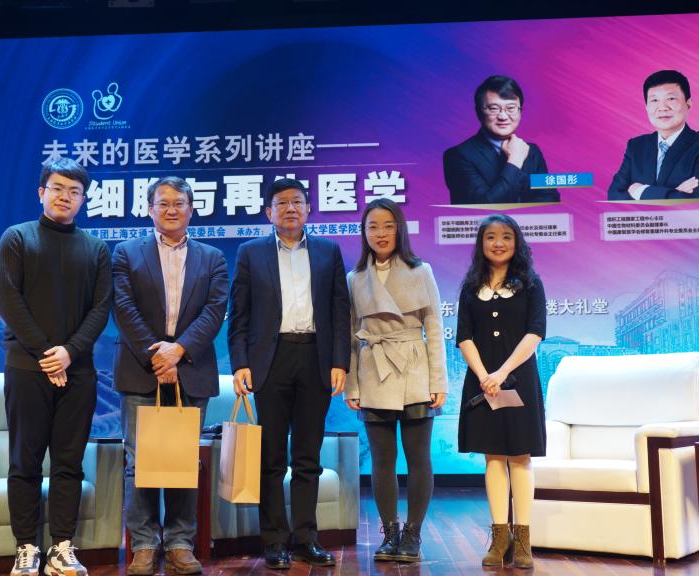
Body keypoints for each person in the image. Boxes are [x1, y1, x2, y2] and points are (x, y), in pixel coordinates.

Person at [0, 158, 112, 576]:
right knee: (24, 462)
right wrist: (48, 353)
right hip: (26, 369)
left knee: (69, 463)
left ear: (84, 199)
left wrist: (69, 353)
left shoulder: (96, 249)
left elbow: (101, 309)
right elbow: (9, 302)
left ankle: (62, 547)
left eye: (75, 191)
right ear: (41, 192)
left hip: (78, 373)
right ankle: (26, 548)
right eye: (58, 188)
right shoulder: (17, 238)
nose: (66, 197)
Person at [227, 178, 351, 570]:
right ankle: (274, 541)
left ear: (309, 208)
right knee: (271, 457)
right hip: (271, 359)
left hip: (316, 358)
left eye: (297, 201)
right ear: (269, 212)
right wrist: (240, 363)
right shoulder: (251, 253)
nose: (290, 208)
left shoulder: (329, 251)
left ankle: (306, 539)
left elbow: (340, 311)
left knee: (308, 456)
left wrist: (340, 362)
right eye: (281, 203)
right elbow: (239, 314)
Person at [112, 177, 229, 576]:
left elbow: (215, 311)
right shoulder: (126, 253)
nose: (171, 209)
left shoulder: (213, 257)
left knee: (182, 459)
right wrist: (158, 354)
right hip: (140, 369)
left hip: (191, 369)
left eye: (179, 203)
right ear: (149, 209)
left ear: (191, 209)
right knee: (138, 461)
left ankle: (180, 543)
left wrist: (178, 351)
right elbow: (123, 308)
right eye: (163, 203)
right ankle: (144, 544)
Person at [343, 198, 447, 563]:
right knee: (382, 460)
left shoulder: (421, 271)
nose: (381, 233)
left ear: (399, 229)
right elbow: (350, 335)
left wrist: (439, 382)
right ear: (364, 233)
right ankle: (389, 533)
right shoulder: (355, 278)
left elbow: (435, 328)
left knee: (418, 458)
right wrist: (352, 385)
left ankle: (413, 533)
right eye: (373, 226)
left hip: (415, 369)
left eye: (388, 225)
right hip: (373, 369)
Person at [455, 214, 546, 570]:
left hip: (519, 379)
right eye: (490, 236)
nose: (498, 243)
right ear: (481, 243)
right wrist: (484, 375)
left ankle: (522, 540)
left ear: (516, 242)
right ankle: (499, 537)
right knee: (493, 457)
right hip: (482, 382)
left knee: (520, 456)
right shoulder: (470, 286)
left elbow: (535, 332)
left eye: (506, 236)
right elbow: (464, 336)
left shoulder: (531, 284)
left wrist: (502, 372)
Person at [608, 69, 699, 200]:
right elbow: (614, 195)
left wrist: (640, 191)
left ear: (688, 104)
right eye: (654, 100)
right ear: (646, 107)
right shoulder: (637, 146)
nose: (662, 107)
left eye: (671, 99)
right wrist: (674, 193)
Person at [443, 75, 559, 205]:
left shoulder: (532, 151)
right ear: (479, 112)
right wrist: (515, 160)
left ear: (520, 112)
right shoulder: (458, 156)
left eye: (511, 108)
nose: (503, 116)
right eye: (493, 108)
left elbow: (550, 198)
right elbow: (484, 207)